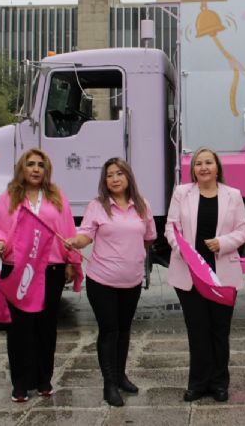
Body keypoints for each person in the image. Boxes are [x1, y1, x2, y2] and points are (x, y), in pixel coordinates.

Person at [0, 148, 82, 403]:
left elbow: (67, 229)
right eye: (31, 164)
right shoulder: (8, 197)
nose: (36, 169)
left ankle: (43, 379)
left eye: (41, 165)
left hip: (50, 271)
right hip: (18, 270)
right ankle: (20, 383)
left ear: (46, 170)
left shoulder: (56, 196)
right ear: (22, 168)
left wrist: (71, 261)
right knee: (19, 329)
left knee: (46, 326)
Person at [65, 158, 156, 407]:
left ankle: (121, 376)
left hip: (132, 281)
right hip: (102, 281)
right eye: (109, 175)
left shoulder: (142, 205)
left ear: (128, 177)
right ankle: (109, 384)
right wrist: (75, 242)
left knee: (124, 331)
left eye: (119, 174)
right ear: (104, 181)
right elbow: (86, 236)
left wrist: (131, 255)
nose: (114, 179)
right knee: (109, 330)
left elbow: (148, 238)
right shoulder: (97, 206)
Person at [165, 147, 245, 403]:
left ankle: (219, 384)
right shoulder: (181, 193)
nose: (203, 167)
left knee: (219, 331)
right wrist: (184, 251)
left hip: (222, 276)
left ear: (217, 167)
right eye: (199, 163)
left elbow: (243, 230)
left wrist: (222, 242)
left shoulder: (233, 195)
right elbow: (171, 227)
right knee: (198, 330)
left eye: (208, 163)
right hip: (190, 276)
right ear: (193, 170)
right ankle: (198, 383)